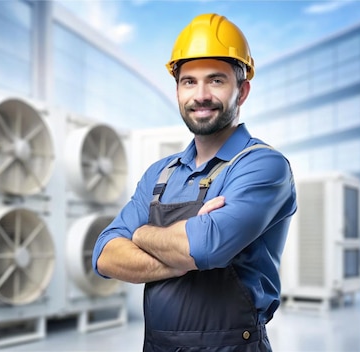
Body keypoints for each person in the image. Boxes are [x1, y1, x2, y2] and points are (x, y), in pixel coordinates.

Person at [92, 13, 297, 351]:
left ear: (242, 91)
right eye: (189, 82)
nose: (200, 95)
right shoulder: (160, 173)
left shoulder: (263, 166)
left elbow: (204, 248)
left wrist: (141, 235)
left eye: (216, 80)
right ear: (177, 90)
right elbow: (104, 255)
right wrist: (181, 253)